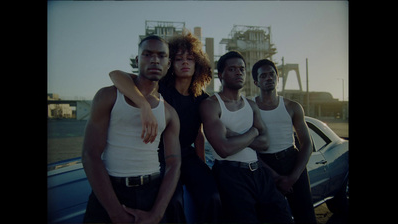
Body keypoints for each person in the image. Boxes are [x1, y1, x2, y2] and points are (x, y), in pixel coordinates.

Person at [108, 30, 221, 223]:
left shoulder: (202, 99)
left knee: (213, 197)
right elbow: (116, 75)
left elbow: (199, 134)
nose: (185, 62)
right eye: (179, 58)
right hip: (160, 157)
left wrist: (201, 162)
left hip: (188, 156)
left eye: (190, 58)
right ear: (170, 64)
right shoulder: (159, 89)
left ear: (198, 64)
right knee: (174, 202)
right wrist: (143, 104)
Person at [82, 35, 181, 224]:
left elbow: (174, 163)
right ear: (137, 60)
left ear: (168, 64)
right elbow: (90, 154)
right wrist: (115, 213)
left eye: (161, 56)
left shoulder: (170, 112)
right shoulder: (108, 95)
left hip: (152, 192)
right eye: (147, 54)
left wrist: (157, 214)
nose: (154, 60)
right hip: (109, 191)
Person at [200, 51, 293, 223]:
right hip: (231, 175)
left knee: (283, 218)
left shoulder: (251, 105)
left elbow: (265, 143)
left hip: (259, 173)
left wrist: (236, 136)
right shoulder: (211, 105)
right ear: (220, 75)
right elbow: (224, 148)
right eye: (232, 69)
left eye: (242, 69)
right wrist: (254, 132)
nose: (239, 72)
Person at [252, 59, 317, 223]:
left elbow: (307, 144)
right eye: (263, 75)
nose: (269, 78)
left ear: (278, 77)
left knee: (306, 216)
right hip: (264, 166)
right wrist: (273, 175)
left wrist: (293, 177)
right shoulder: (250, 107)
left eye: (272, 74)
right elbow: (248, 146)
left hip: (292, 162)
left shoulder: (292, 106)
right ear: (255, 81)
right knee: (271, 217)